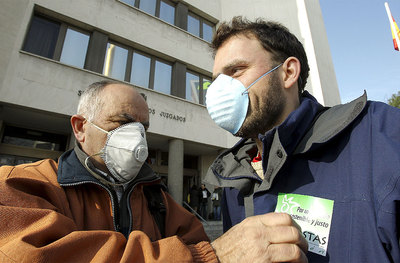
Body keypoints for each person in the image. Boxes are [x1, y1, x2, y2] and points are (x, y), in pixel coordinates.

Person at [0, 80, 308, 263]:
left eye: (142, 129)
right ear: (81, 128)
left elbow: (195, 238)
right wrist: (204, 258)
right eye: (122, 123)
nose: (137, 139)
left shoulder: (158, 199)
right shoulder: (25, 185)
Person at [204, 16, 400, 262]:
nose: (220, 90)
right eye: (216, 81)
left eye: (236, 70)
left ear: (288, 72)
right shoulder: (233, 180)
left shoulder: (378, 134)